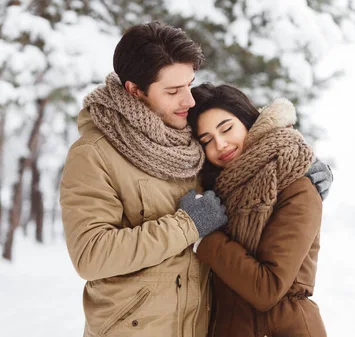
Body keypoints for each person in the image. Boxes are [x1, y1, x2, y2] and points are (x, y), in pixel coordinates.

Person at [60, 21, 333, 337]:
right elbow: (91, 255)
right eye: (173, 91)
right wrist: (189, 225)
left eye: (189, 84)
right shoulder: (94, 154)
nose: (188, 101)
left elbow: (246, 141)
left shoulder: (190, 140)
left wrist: (296, 163)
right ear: (135, 90)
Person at [187, 83, 327, 337]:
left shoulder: (297, 187)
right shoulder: (219, 191)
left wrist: (205, 235)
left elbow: (268, 288)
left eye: (227, 128)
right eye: (206, 140)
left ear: (248, 121)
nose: (220, 144)